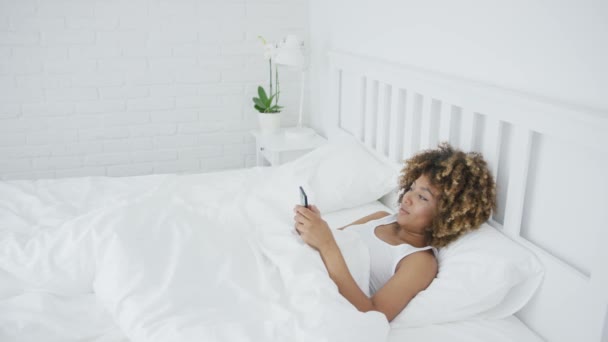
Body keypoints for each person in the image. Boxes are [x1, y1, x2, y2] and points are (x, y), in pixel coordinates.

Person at [293, 143, 496, 322]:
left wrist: (326, 243)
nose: (407, 198)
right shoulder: (380, 216)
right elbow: (329, 242)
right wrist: (312, 226)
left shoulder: (419, 261)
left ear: (448, 214)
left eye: (422, 198)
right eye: (412, 188)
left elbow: (373, 314)